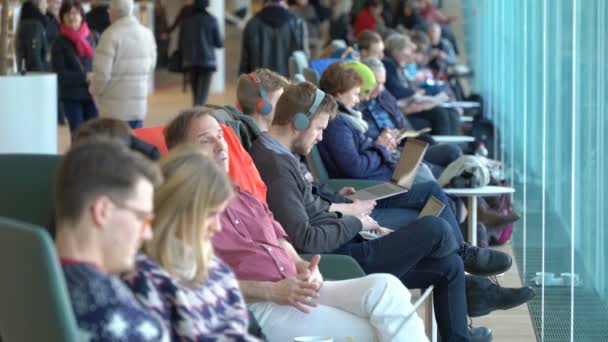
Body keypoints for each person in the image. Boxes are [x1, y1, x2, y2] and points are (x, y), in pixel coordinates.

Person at [249, 81, 536, 341]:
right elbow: (304, 239)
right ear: (299, 122)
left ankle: (461, 328)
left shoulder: (283, 156)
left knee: (449, 267)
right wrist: (355, 222)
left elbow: (310, 206)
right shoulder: (276, 168)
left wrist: (350, 213)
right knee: (435, 229)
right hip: (339, 259)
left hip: (347, 241)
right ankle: (469, 261)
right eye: (320, 128)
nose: (321, 138)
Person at [162, 109, 430, 342]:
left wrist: (301, 266)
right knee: (375, 332)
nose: (221, 147)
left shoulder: (241, 194)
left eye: (220, 136)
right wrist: (272, 291)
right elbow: (194, 283)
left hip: (294, 286)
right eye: (206, 141)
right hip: (256, 306)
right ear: (181, 153)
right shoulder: (183, 209)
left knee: (387, 288)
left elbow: (279, 237)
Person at [123, 145, 261, 340]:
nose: (218, 227)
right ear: (176, 213)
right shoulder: (144, 280)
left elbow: (249, 333)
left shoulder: (217, 269)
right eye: (210, 215)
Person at [53, 138, 169, 341]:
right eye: (141, 218)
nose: (147, 234)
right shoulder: (132, 326)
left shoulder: (23, 283)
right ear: (103, 211)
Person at [90, 0, 157, 129]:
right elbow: (151, 65)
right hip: (138, 104)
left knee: (115, 146)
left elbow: (102, 74)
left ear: (113, 12)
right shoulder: (147, 33)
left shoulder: (110, 35)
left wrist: (94, 89)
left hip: (114, 109)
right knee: (135, 143)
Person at [382, 33, 460, 135]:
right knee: (440, 113)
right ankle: (446, 147)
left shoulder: (397, 66)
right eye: (405, 55)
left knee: (450, 112)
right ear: (395, 51)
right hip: (401, 106)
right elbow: (396, 90)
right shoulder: (389, 66)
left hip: (406, 102)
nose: (407, 58)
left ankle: (453, 145)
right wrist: (415, 92)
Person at [51, 0, 98, 136]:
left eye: (75, 13)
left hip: (93, 95)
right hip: (72, 97)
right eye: (67, 14)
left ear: (81, 15)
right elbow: (60, 75)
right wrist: (85, 77)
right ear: (62, 18)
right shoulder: (58, 43)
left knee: (95, 136)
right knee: (78, 136)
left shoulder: (93, 37)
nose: (71, 17)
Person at [239, 0, 308, 76]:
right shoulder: (298, 24)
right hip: (290, 84)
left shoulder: (252, 24)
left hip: (260, 83)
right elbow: (303, 61)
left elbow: (245, 63)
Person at [176, 0, 223, 106]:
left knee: (196, 95)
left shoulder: (186, 21)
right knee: (202, 97)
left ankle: (195, 114)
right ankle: (198, 117)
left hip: (190, 61)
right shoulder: (211, 20)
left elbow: (180, 43)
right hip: (207, 62)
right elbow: (219, 43)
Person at [16, 0, 50, 72]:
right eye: (46, 1)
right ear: (39, 2)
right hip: (36, 78)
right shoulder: (34, 25)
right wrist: (42, 77)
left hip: (30, 76)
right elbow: (34, 57)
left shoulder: (27, 21)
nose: (47, 5)